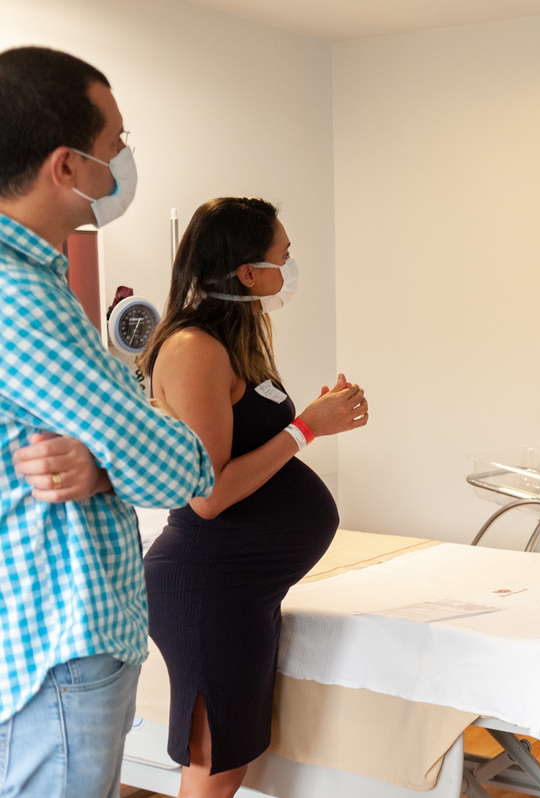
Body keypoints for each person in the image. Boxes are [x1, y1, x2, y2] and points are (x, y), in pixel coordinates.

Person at [0, 46, 215, 797]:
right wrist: (124, 452)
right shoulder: (20, 297)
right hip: (56, 638)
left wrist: (103, 458)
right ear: (66, 166)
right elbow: (181, 465)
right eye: (116, 141)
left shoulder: (43, 280)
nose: (125, 156)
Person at [138, 197, 368, 798]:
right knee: (214, 764)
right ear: (246, 272)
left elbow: (252, 442)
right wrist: (308, 427)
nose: (289, 267)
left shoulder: (236, 339)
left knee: (231, 758)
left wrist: (314, 418)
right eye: (282, 255)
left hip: (244, 589)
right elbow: (208, 495)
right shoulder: (193, 349)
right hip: (209, 584)